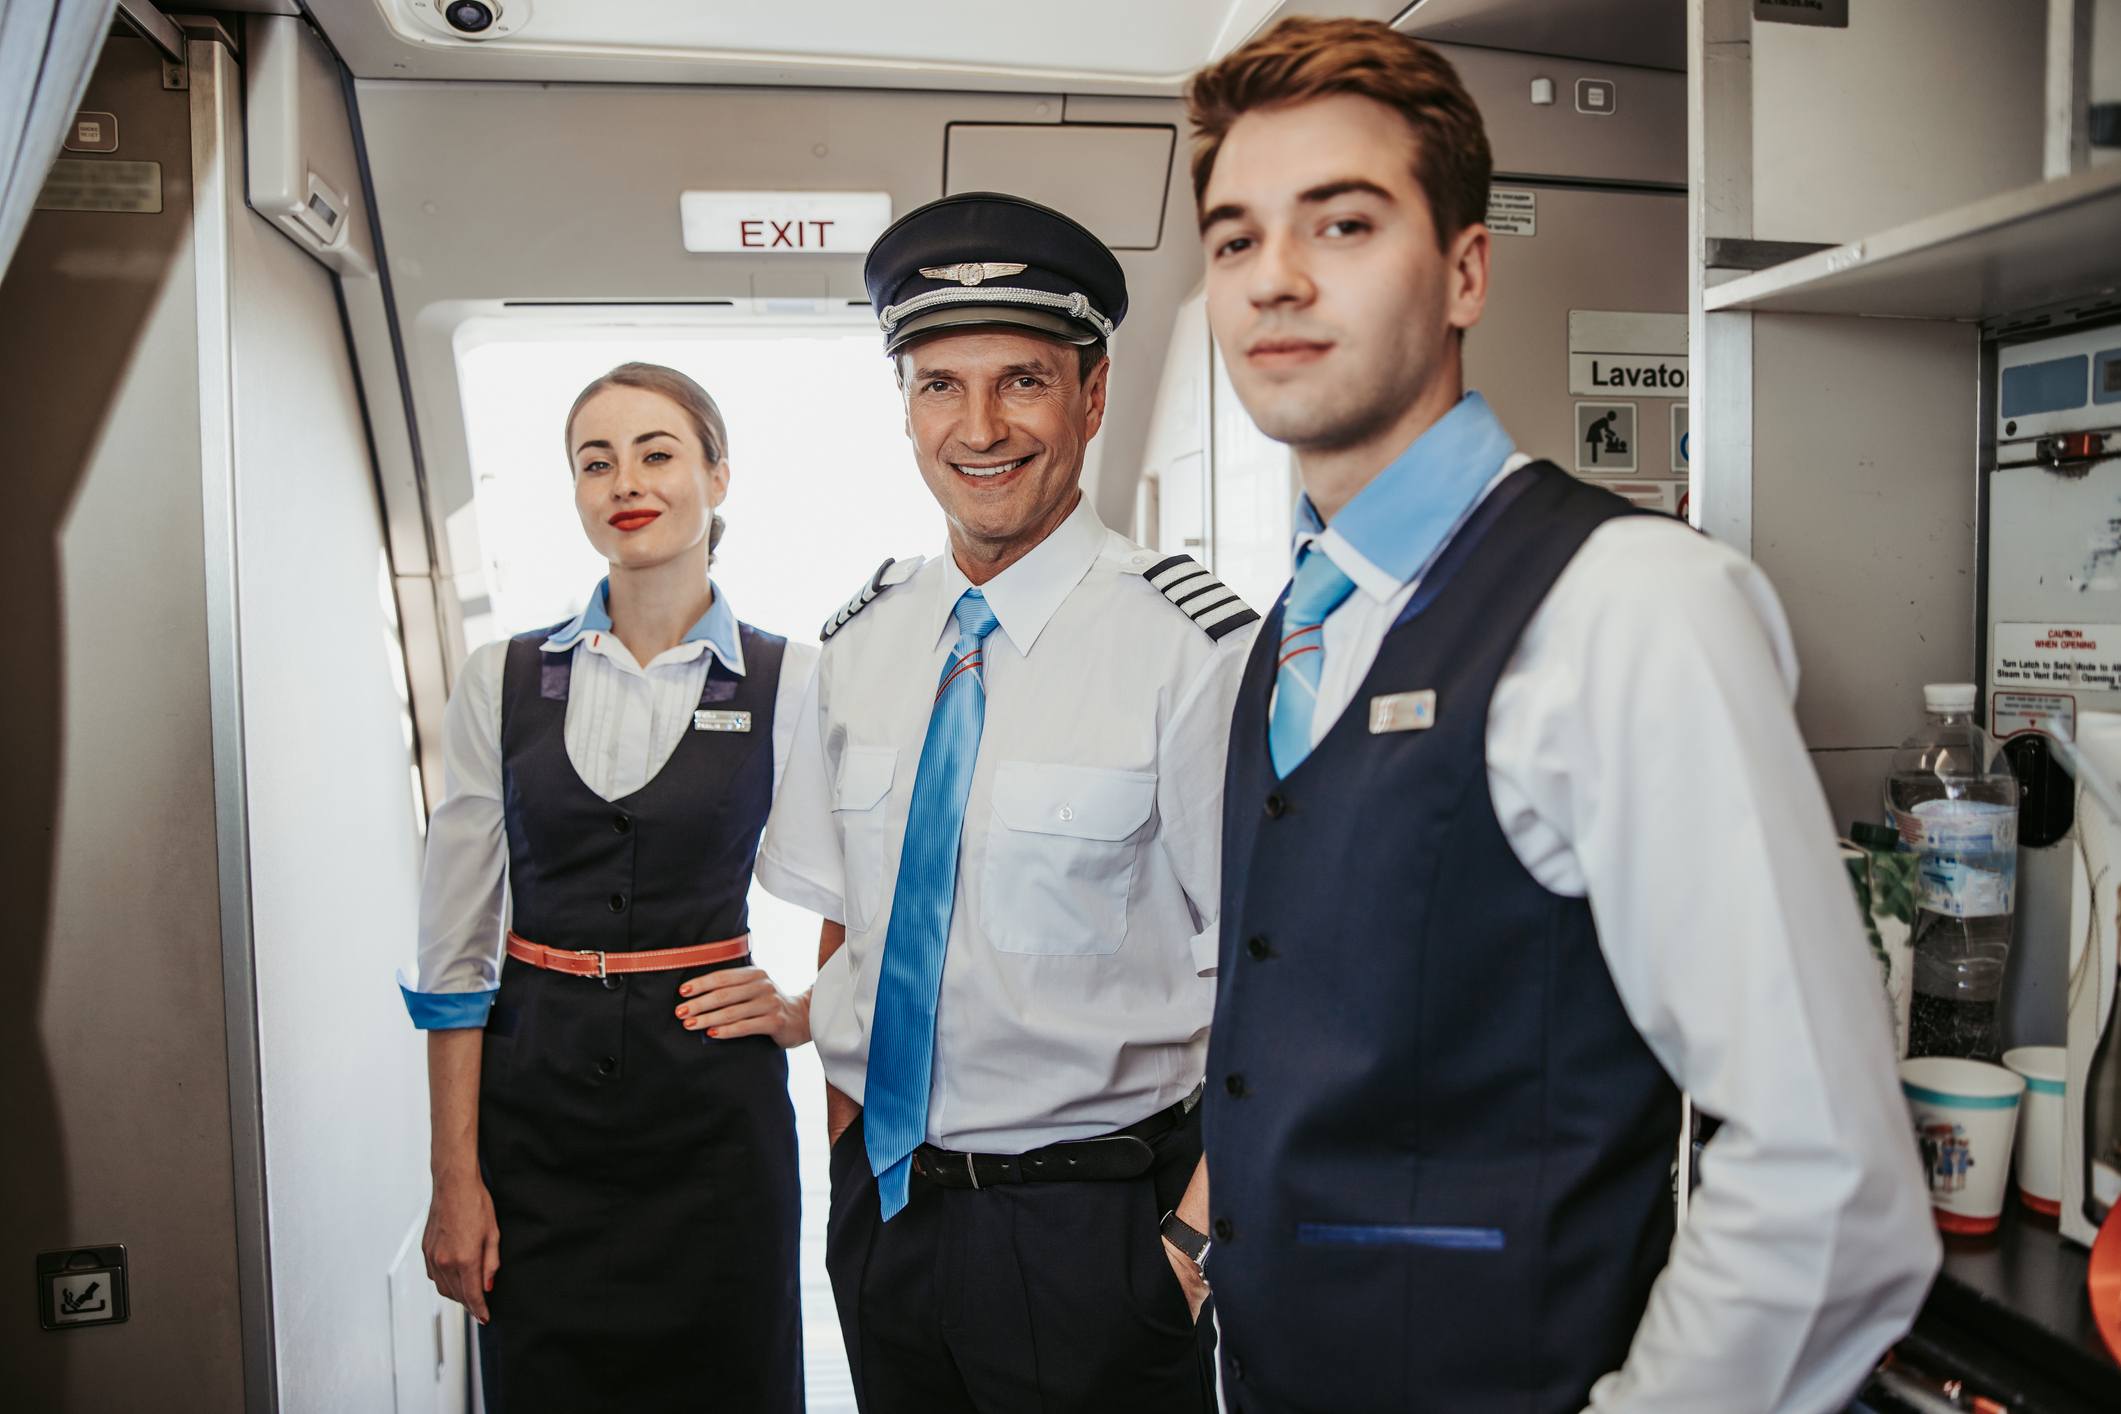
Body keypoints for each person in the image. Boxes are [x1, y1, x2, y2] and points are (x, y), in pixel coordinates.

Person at [1183, 19, 1940, 1414]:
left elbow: (1829, 1177)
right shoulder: (1288, 627)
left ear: (1465, 267)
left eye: (1342, 223)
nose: (1275, 278)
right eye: (1234, 240)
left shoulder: (1629, 603)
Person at [754, 192, 1256, 1414]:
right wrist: (843, 1152)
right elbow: (851, 926)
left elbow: (1276, 975)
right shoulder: (856, 645)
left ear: (1090, 397)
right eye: (940, 385)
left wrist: (1186, 1253)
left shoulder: (1195, 652)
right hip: (888, 1212)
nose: (979, 427)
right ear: (906, 410)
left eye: (1022, 381)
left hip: (1095, 1232)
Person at [402, 362, 815, 1413]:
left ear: (718, 475)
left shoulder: (793, 680)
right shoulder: (499, 677)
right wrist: (457, 1178)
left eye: (658, 452)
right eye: (597, 460)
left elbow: (868, 888)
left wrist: (807, 1010)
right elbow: (455, 953)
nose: (625, 480)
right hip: (532, 1116)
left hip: (716, 1130)